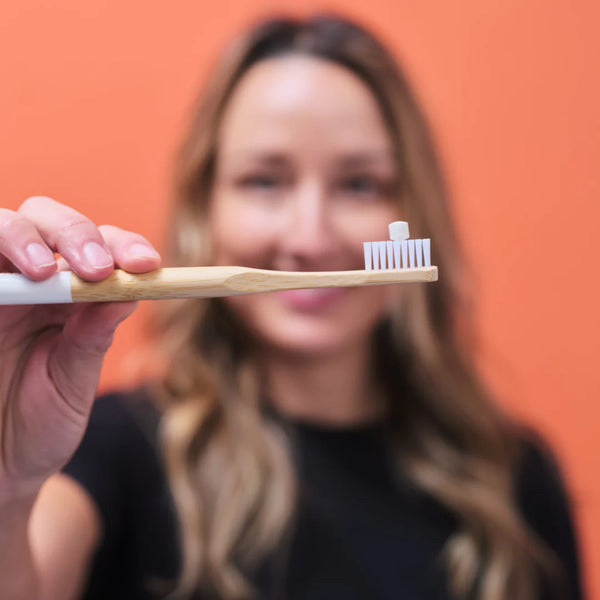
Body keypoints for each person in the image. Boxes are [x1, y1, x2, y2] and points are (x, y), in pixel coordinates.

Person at [0, 14, 584, 600]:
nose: (310, 237)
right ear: (206, 211)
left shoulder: (513, 480)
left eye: (359, 183)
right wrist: (9, 488)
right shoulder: (111, 449)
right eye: (264, 180)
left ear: (414, 210)